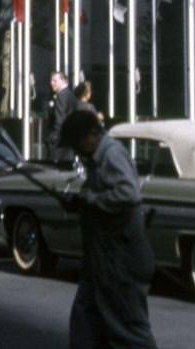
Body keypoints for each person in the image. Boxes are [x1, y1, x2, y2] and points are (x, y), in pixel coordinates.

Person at [60, 110, 157, 349]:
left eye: (78, 144)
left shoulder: (111, 154)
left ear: (92, 134)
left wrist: (90, 200)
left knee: (128, 329)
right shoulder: (98, 158)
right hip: (102, 259)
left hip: (121, 260)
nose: (78, 152)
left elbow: (127, 193)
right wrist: (80, 203)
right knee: (86, 320)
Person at [44, 71, 76, 159]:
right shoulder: (70, 94)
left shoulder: (61, 96)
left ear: (63, 81)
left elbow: (60, 119)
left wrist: (53, 138)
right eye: (51, 81)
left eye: (55, 81)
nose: (52, 83)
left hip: (59, 142)